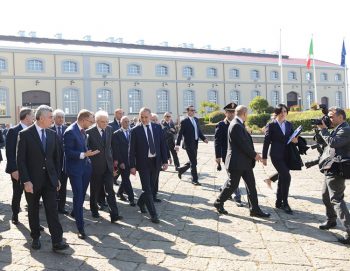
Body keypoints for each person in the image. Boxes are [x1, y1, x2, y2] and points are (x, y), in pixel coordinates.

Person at [17, 105, 68, 251]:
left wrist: (57, 177)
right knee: (33, 210)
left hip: (49, 180)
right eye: (50, 117)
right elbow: (21, 160)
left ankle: (57, 241)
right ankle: (35, 238)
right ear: (40, 118)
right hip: (32, 181)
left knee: (52, 209)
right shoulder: (25, 134)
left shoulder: (52, 134)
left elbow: (56, 158)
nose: (53, 119)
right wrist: (26, 180)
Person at [214, 105, 270, 218]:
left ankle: (254, 209)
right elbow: (242, 145)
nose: (247, 116)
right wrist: (255, 155)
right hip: (237, 162)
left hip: (244, 162)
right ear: (244, 114)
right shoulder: (236, 125)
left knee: (251, 186)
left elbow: (244, 142)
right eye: (247, 114)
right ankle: (218, 202)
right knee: (232, 185)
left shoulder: (238, 124)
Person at [64, 109, 99, 239]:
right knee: (78, 196)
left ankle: (75, 212)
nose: (91, 124)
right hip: (75, 170)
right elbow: (68, 153)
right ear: (83, 120)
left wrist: (88, 154)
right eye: (90, 121)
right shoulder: (70, 132)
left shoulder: (83, 130)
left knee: (82, 195)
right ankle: (80, 227)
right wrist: (84, 154)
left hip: (85, 168)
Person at [317, 106, 350, 244]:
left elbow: (333, 143)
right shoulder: (339, 128)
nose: (330, 119)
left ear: (341, 117)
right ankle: (331, 220)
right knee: (325, 195)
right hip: (330, 167)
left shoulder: (346, 130)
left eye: (332, 116)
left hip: (338, 168)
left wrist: (323, 130)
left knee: (336, 199)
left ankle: (349, 230)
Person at [129, 107, 168, 223]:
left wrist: (165, 161)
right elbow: (131, 150)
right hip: (143, 164)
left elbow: (163, 145)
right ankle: (153, 214)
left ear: (151, 116)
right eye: (142, 117)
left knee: (149, 188)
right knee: (147, 189)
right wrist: (132, 166)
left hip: (156, 162)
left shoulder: (157, 128)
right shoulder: (135, 130)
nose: (144, 119)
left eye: (146, 117)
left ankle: (141, 202)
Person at [86, 110, 123, 223]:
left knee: (110, 190)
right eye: (103, 122)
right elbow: (87, 150)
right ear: (96, 121)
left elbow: (111, 147)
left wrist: (114, 163)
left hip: (108, 166)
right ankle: (94, 210)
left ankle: (114, 215)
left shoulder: (109, 129)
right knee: (95, 190)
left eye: (107, 121)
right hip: (95, 167)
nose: (105, 124)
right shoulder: (89, 132)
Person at [262, 104, 298, 214]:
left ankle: (278, 202)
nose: (283, 114)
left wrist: (295, 140)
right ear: (277, 113)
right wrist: (264, 157)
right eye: (281, 112)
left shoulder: (289, 124)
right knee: (286, 176)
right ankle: (285, 203)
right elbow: (266, 141)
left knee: (282, 177)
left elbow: (293, 138)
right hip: (276, 155)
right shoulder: (271, 125)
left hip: (287, 154)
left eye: (285, 112)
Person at [6, 108, 35, 225]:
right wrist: (13, 169)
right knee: (17, 194)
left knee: (32, 196)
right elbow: (10, 152)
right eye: (32, 115)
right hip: (17, 170)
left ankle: (34, 222)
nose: (34, 117)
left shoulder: (33, 130)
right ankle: (15, 215)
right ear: (27, 116)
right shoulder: (14, 131)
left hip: (31, 170)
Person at [214, 102, 243, 207]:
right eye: (229, 112)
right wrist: (217, 156)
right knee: (234, 178)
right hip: (227, 156)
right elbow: (217, 142)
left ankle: (223, 188)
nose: (231, 114)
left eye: (233, 112)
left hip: (238, 155)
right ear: (225, 113)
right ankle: (237, 197)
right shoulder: (221, 125)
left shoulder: (239, 123)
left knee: (233, 176)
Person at [175, 105, 208, 185]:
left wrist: (204, 139)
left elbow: (198, 131)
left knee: (192, 160)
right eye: (191, 110)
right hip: (188, 144)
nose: (193, 112)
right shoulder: (184, 121)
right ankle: (194, 180)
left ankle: (181, 170)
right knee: (194, 162)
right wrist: (177, 144)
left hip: (195, 143)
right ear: (188, 111)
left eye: (194, 110)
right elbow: (180, 134)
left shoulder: (196, 120)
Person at [112, 116, 135, 206]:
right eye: (125, 122)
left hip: (131, 160)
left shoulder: (132, 132)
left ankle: (120, 192)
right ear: (121, 123)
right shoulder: (116, 134)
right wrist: (120, 162)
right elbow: (116, 149)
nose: (127, 123)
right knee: (126, 179)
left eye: (128, 121)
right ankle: (131, 198)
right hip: (123, 161)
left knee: (126, 178)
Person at [50, 109, 69, 215]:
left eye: (62, 117)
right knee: (53, 185)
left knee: (63, 186)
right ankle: (53, 206)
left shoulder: (67, 129)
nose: (61, 119)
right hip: (52, 163)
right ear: (54, 118)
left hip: (64, 163)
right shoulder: (49, 129)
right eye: (59, 117)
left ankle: (61, 207)